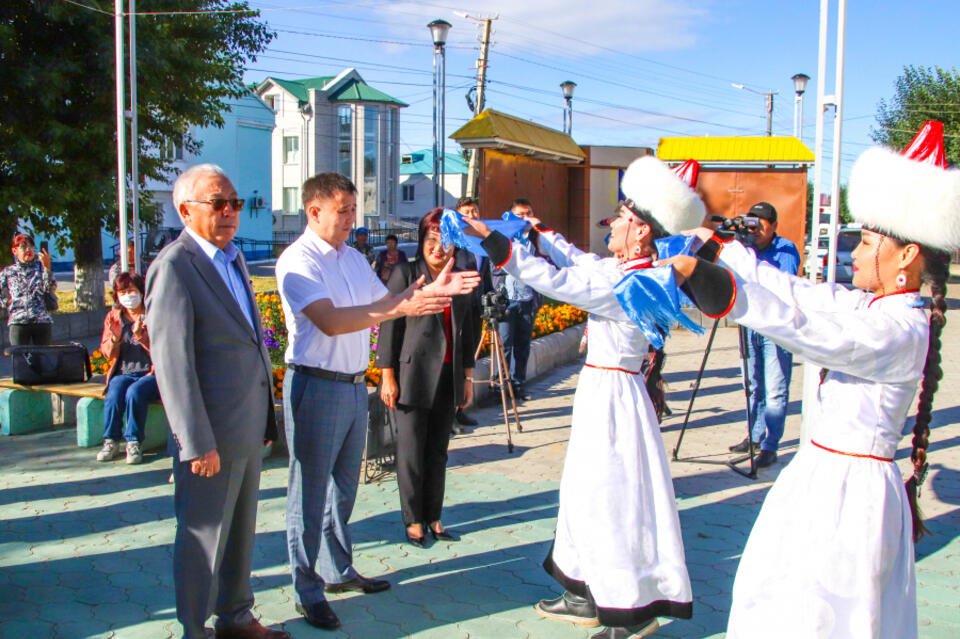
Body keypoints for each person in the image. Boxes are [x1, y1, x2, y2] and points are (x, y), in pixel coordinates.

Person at [667, 121, 957, 639]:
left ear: (906, 256)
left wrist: (723, 293)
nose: (857, 253)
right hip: (823, 478)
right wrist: (720, 251)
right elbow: (796, 292)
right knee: (783, 602)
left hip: (852, 496)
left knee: (830, 616)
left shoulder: (899, 328)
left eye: (867, 242)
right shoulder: (871, 303)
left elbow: (810, 331)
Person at [462, 157, 735, 639]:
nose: (612, 226)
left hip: (615, 399)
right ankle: (585, 588)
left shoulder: (635, 281)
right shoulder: (624, 268)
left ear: (643, 234)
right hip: (603, 391)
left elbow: (561, 281)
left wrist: (493, 239)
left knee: (613, 499)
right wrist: (539, 230)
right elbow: (578, 260)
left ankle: (628, 609)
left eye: (622, 221)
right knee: (585, 493)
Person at [276, 173, 480, 631]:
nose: (352, 219)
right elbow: (330, 321)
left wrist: (430, 291)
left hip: (350, 386)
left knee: (342, 491)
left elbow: (390, 299)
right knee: (308, 497)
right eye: (343, 210)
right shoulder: (298, 260)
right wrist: (400, 307)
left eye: (354, 209)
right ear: (314, 211)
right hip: (315, 384)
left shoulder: (349, 258)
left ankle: (337, 570)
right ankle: (307, 590)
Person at [145, 163, 288, 639]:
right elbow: (173, 365)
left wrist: (265, 415)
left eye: (235, 204)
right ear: (185, 210)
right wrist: (195, 441)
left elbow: (246, 342)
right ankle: (195, 628)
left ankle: (236, 616)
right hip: (207, 437)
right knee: (203, 537)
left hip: (244, 428)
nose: (230, 213)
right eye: (217, 203)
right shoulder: (174, 266)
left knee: (240, 533)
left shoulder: (233, 259)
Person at [377, 208, 475, 547]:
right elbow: (389, 325)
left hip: (448, 376)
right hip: (411, 375)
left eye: (445, 242)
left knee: (438, 451)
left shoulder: (462, 277)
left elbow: (471, 327)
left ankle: (434, 516)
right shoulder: (406, 273)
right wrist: (387, 376)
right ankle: (413, 520)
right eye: (431, 240)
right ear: (421, 242)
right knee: (411, 451)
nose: (438, 249)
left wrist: (467, 376)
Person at [726, 201, 800, 468]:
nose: (755, 231)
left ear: (774, 227)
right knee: (753, 384)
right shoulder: (746, 249)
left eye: (761, 226)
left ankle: (771, 445)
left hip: (776, 329)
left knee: (775, 389)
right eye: (751, 225)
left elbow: (784, 282)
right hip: (750, 325)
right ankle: (754, 435)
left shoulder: (785, 249)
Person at [95, 272, 159, 465]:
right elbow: (106, 352)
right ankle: (111, 440)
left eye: (131, 290)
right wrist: (114, 339)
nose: (127, 296)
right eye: (122, 292)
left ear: (141, 292)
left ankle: (133, 441)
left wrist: (141, 335)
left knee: (135, 392)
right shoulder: (114, 317)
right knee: (114, 391)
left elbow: (162, 351)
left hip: (151, 373)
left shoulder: (153, 314)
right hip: (124, 371)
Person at [491, 197, 541, 401]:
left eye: (528, 213)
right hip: (506, 300)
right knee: (504, 344)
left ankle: (518, 385)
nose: (525, 218)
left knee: (523, 345)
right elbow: (493, 268)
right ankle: (499, 388)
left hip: (527, 299)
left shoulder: (537, 239)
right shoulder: (502, 238)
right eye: (520, 214)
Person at [452, 196, 486, 429]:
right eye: (467, 212)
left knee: (468, 357)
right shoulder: (454, 241)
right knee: (454, 357)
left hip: (476, 307)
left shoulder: (482, 242)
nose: (472, 215)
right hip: (456, 307)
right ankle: (449, 413)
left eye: (474, 211)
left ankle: (461, 408)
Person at [0, 234, 57, 346]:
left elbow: (50, 288)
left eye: (31, 246)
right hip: (18, 322)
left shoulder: (40, 268)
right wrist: (7, 302)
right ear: (14, 250)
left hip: (41, 320)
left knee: (43, 359)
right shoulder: (8, 272)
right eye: (23, 247)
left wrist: (47, 268)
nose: (28, 249)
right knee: (20, 360)